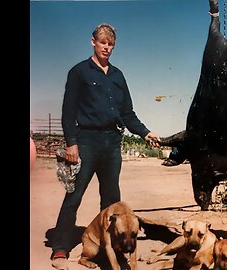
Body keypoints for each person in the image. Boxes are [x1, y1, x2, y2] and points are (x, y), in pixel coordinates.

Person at [50, 23, 160, 269]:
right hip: (86, 141)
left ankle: (114, 250)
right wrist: (72, 144)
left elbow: (128, 114)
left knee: (112, 202)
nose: (107, 48)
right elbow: (68, 113)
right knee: (74, 196)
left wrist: (145, 132)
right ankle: (60, 248)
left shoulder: (118, 76)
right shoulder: (79, 72)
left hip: (112, 143)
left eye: (110, 44)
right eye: (102, 43)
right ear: (93, 42)